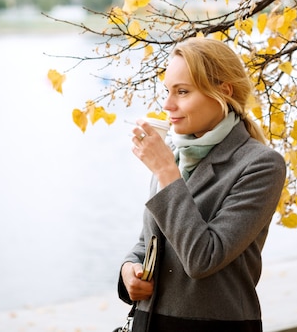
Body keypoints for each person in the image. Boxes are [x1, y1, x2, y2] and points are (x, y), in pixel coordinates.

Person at [117, 36, 286, 332]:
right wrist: (128, 270)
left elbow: (203, 259)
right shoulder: (175, 153)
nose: (168, 105)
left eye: (182, 92)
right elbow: (151, 240)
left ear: (223, 92)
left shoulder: (261, 164)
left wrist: (166, 170)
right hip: (148, 322)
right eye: (167, 91)